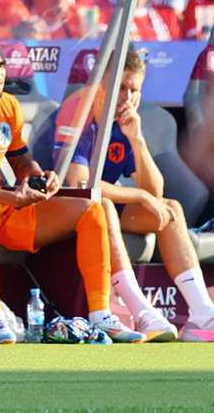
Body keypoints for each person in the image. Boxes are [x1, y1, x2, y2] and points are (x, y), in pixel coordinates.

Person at [0, 36, 143, 345]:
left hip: (5, 207)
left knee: (93, 209)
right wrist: (7, 196)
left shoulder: (8, 105)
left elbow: (21, 161)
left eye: (1, 65)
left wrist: (40, 176)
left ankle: (101, 315)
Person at [55, 51, 214, 342]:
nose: (126, 97)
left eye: (134, 90)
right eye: (120, 87)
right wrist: (140, 196)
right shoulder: (79, 110)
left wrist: (137, 140)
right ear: (102, 85)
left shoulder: (124, 122)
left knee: (170, 208)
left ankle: (202, 314)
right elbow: (77, 183)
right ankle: (142, 311)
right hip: (61, 208)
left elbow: (155, 191)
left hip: (102, 208)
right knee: (102, 205)